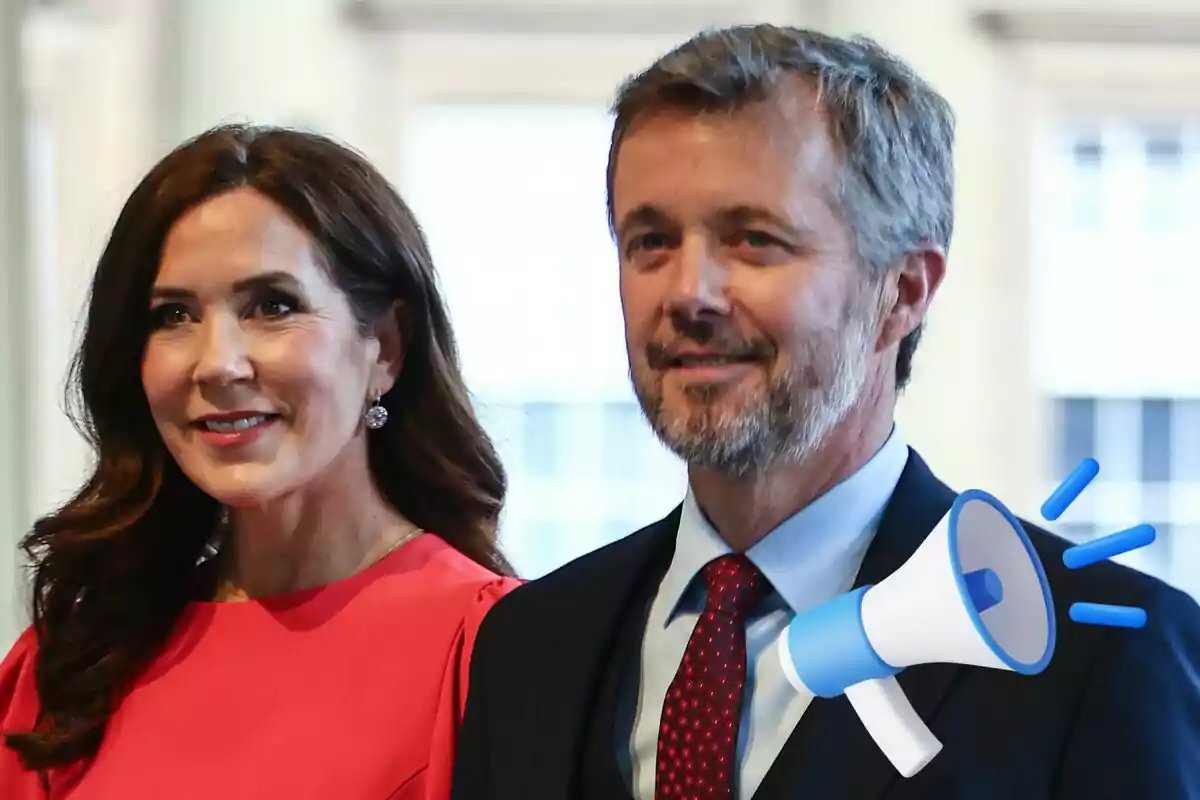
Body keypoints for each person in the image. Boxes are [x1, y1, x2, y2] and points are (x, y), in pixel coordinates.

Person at [450, 24, 1200, 800]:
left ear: (902, 291)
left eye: (753, 240)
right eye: (651, 241)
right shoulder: (529, 647)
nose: (687, 293)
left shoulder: (1101, 655)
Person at [0, 124, 521, 799]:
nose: (217, 363)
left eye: (273, 306)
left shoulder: (490, 651)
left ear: (385, 348)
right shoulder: (71, 663)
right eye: (172, 315)